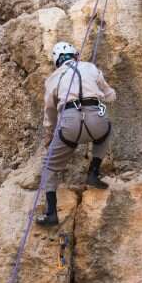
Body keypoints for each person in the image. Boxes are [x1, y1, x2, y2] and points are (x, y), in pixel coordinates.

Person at [36, 41, 116, 226]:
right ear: (75, 55)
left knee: (49, 166)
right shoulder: (90, 67)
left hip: (70, 123)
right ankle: (93, 172)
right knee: (107, 130)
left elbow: (49, 111)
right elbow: (109, 94)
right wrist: (108, 97)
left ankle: (51, 213)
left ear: (57, 62)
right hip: (96, 118)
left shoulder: (54, 77)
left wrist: (50, 134)